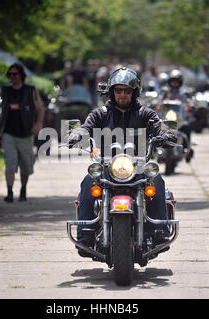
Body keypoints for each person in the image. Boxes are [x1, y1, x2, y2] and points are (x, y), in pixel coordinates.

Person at [67, 67, 177, 255]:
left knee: (157, 181)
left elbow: (160, 126)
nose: (123, 95)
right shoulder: (100, 114)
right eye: (118, 90)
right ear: (112, 92)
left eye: (127, 91)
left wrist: (166, 134)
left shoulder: (145, 114)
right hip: (108, 166)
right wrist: (77, 134)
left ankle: (160, 230)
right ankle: (85, 232)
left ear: (134, 92)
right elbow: (86, 127)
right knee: (87, 182)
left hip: (139, 166)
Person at [0, 63, 45, 203]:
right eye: (10, 74)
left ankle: (23, 189)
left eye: (15, 74)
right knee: (10, 162)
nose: (12, 77)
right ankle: (9, 192)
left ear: (21, 75)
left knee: (26, 166)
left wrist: (37, 125)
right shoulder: (5, 91)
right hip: (9, 132)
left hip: (26, 133)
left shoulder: (29, 90)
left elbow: (40, 110)